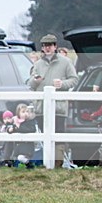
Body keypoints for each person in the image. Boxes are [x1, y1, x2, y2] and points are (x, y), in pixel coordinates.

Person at [28, 33, 78, 166]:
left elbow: (74, 80)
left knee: (59, 136)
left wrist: (62, 84)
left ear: (55, 46)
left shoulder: (65, 62)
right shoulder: (37, 64)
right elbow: (30, 85)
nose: (47, 48)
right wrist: (35, 80)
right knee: (45, 136)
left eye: (49, 45)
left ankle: (57, 164)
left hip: (58, 107)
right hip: (41, 107)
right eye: (44, 45)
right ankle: (46, 164)